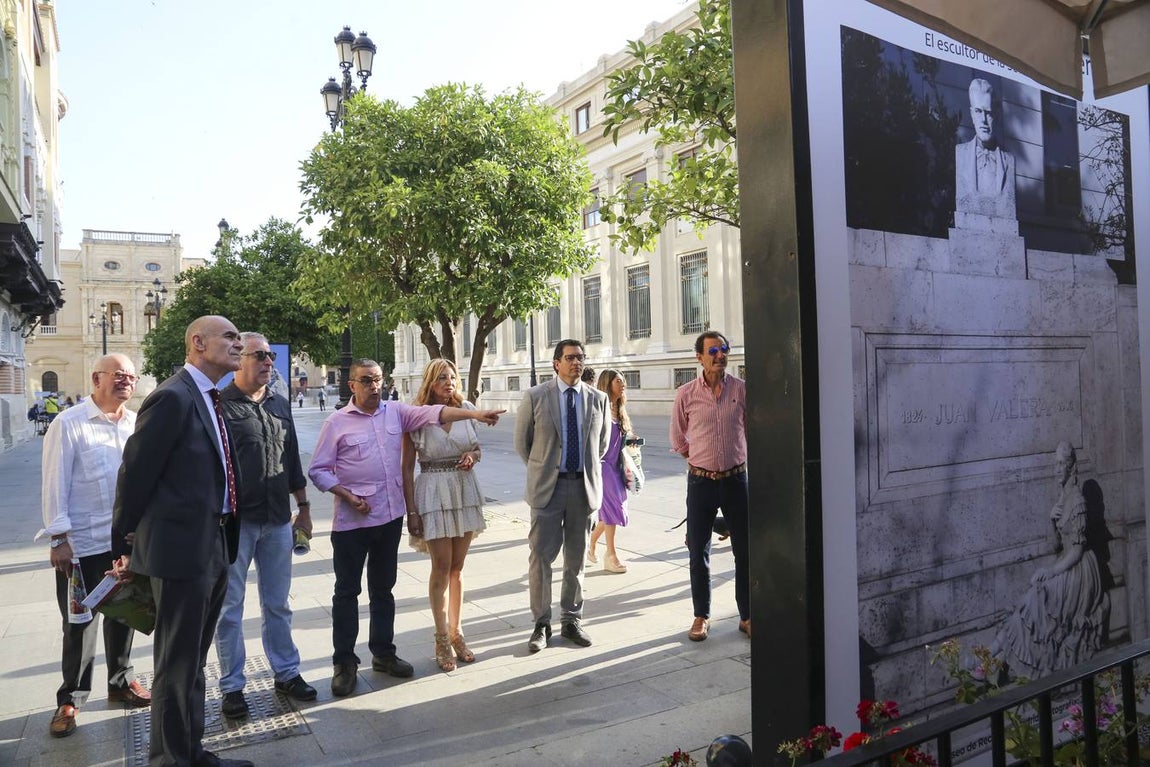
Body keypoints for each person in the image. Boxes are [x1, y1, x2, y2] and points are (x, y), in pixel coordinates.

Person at [308, 359, 503, 696]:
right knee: (347, 592)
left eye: (377, 380)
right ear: (351, 385)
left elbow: (438, 413)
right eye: (366, 380)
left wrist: (476, 414)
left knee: (383, 590)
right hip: (352, 522)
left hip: (387, 517)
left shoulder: (396, 412)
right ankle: (345, 664)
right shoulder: (336, 422)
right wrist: (346, 495)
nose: (373, 386)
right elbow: (319, 470)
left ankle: (384, 654)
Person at [110, 315, 252, 767]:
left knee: (193, 661)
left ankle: (191, 751)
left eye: (239, 337)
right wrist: (124, 546)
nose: (239, 343)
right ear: (198, 343)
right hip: (179, 552)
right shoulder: (172, 397)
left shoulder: (210, 396)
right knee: (175, 665)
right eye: (229, 337)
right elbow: (136, 473)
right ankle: (170, 760)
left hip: (214, 544)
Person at [39, 354, 151, 739]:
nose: (125, 382)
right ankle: (70, 698)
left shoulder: (135, 423)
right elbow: (54, 481)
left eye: (130, 377)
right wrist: (58, 538)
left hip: (123, 542)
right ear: (96, 378)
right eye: (117, 375)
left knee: (124, 613)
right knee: (80, 623)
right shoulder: (69, 423)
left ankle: (120, 681)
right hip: (82, 544)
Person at [214, 333, 316, 720]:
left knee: (278, 603)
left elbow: (292, 459)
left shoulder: (278, 403)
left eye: (270, 355)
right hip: (235, 524)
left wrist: (303, 507)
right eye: (259, 355)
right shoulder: (220, 406)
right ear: (239, 360)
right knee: (230, 608)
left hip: (276, 521)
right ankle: (232, 686)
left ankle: (286, 673)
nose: (268, 362)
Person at [514, 339, 610, 653]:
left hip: (582, 488)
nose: (576, 363)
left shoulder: (598, 399)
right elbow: (523, 444)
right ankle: (541, 624)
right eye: (570, 358)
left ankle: (571, 620)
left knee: (576, 559)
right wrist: (545, 470)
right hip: (548, 489)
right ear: (556, 363)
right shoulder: (536, 396)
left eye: (580, 358)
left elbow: (601, 446)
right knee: (541, 557)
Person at [992, 442, 1107, 677]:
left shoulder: (1078, 502)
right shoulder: (1062, 499)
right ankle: (991, 659)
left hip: (1081, 571)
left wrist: (1051, 571)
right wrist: (1051, 521)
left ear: (1071, 467)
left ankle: (989, 658)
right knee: (1031, 600)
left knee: (1036, 597)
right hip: (1066, 562)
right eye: (1056, 464)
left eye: (1062, 464)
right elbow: (1056, 546)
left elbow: (1077, 551)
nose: (1057, 469)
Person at [402, 359, 487, 672]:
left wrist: (471, 456)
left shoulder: (466, 408)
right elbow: (406, 468)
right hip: (433, 492)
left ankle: (457, 632)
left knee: (457, 568)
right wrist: (411, 511)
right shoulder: (416, 416)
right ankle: (441, 639)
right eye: (441, 377)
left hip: (464, 490)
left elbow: (477, 449)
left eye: (452, 377)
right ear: (430, 382)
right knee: (440, 567)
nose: (449, 382)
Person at [670, 331, 750, 643]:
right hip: (700, 482)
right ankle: (701, 615)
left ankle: (747, 615)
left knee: (744, 551)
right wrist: (701, 460)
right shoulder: (686, 393)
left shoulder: (741, 389)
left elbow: (752, 430)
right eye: (713, 351)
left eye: (724, 349)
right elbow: (678, 438)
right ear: (700, 357)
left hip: (736, 480)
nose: (720, 355)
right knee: (698, 551)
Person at [587, 369, 632, 575]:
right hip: (602, 467)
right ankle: (611, 555)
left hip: (617, 467)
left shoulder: (620, 410)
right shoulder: (598, 408)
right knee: (613, 510)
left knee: (611, 512)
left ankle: (590, 542)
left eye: (623, 381)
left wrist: (631, 442)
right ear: (607, 384)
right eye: (618, 381)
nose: (623, 385)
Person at [955, 77, 1016, 219]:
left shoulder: (1009, 161)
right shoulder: (961, 154)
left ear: (997, 115)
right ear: (972, 114)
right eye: (978, 111)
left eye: (988, 113)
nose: (983, 119)